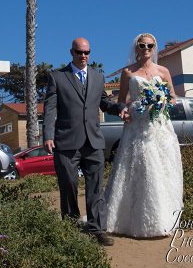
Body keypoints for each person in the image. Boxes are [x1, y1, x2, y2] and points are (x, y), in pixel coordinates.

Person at [43, 37, 129, 246]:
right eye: (79, 52)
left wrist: (119, 109)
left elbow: (104, 103)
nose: (83, 56)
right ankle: (71, 228)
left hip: (94, 141)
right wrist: (48, 135)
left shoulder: (98, 77)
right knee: (69, 185)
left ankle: (96, 229)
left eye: (87, 52)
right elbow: (50, 108)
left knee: (96, 188)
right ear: (71, 52)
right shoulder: (57, 77)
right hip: (66, 142)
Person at [105, 32, 183, 238]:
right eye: (142, 45)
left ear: (155, 47)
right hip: (137, 128)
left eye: (150, 45)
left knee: (163, 169)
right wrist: (128, 108)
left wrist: (162, 100)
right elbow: (122, 100)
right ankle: (134, 221)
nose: (146, 49)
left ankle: (164, 218)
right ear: (136, 48)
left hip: (159, 126)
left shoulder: (163, 71)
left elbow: (173, 98)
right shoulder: (128, 73)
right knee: (144, 166)